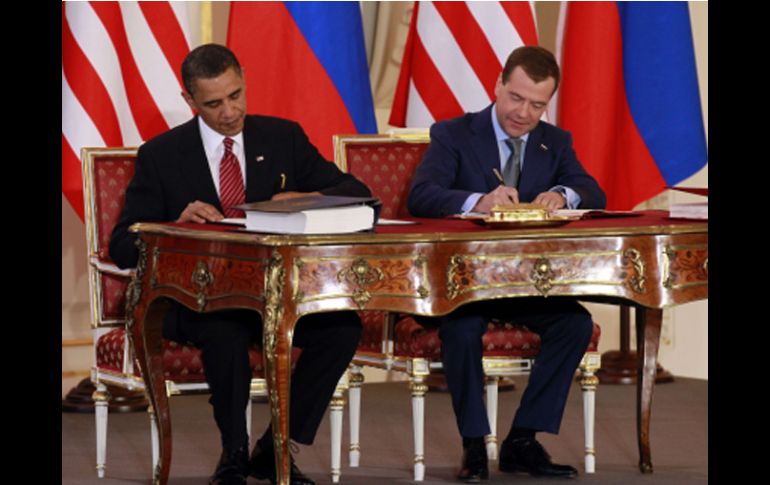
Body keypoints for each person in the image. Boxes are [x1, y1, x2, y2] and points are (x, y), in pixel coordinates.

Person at [110, 44, 371, 485]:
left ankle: (275, 448)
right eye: (214, 103)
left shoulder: (282, 137)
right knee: (223, 329)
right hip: (194, 302)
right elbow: (122, 244)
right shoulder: (162, 154)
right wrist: (171, 224)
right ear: (190, 100)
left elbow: (356, 190)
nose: (230, 112)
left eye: (236, 95)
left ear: (243, 79)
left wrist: (309, 199)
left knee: (342, 327)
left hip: (273, 297)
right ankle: (232, 452)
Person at [407, 46, 606, 481]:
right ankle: (474, 445)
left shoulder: (555, 141)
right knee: (461, 329)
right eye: (517, 98)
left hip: (524, 283)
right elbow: (420, 195)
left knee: (574, 324)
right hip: (463, 284)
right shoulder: (454, 134)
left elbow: (592, 190)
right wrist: (478, 201)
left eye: (538, 105)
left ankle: (521, 441)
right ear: (498, 85)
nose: (524, 113)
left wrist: (564, 195)